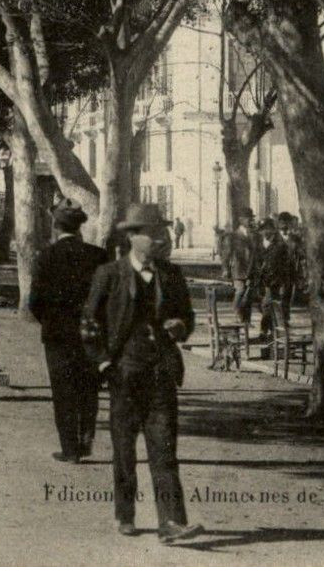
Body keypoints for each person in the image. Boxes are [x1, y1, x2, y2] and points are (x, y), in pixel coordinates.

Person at [81, 203, 201, 544]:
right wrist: (105, 364)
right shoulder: (109, 275)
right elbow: (89, 325)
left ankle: (172, 523)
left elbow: (187, 318)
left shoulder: (172, 275)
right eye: (153, 233)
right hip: (124, 374)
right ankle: (125, 514)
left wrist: (181, 327)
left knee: (164, 450)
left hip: (161, 373)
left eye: (162, 233)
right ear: (133, 237)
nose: (161, 239)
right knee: (124, 450)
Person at [27, 201, 106, 462]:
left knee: (63, 391)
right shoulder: (99, 256)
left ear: (55, 225)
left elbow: (35, 302)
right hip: (91, 334)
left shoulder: (45, 257)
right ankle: (85, 441)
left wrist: (50, 321)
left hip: (58, 335)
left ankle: (70, 450)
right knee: (89, 388)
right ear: (80, 225)